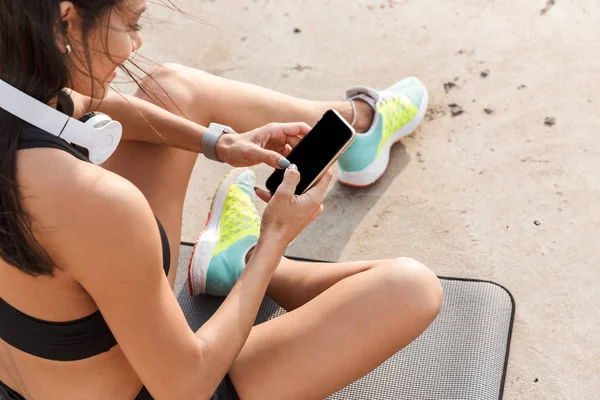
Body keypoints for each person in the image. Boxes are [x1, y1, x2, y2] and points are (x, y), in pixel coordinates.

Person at [0, 1, 442, 399]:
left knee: (172, 87)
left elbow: (83, 103)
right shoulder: (99, 204)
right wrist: (275, 235)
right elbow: (185, 387)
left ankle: (354, 134)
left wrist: (220, 143)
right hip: (170, 385)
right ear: (64, 21)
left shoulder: (18, 94)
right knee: (410, 288)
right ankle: (251, 259)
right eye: (131, 22)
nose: (135, 44)